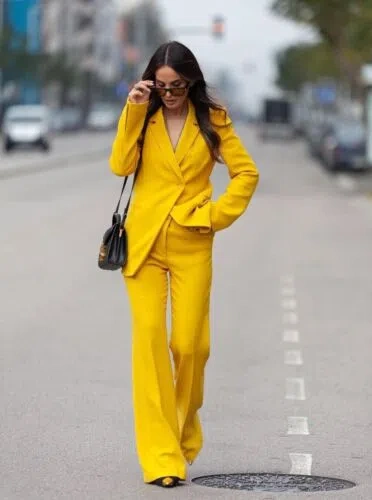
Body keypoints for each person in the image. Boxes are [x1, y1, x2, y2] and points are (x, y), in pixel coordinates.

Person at [109, 41, 259, 488]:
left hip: (193, 241)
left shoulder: (213, 119)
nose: (170, 94)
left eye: (177, 86)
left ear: (191, 82)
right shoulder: (143, 116)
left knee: (191, 347)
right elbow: (120, 165)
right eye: (161, 86)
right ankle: (162, 458)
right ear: (150, 83)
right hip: (144, 244)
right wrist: (134, 109)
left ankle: (183, 427)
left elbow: (246, 173)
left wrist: (214, 215)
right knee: (150, 344)